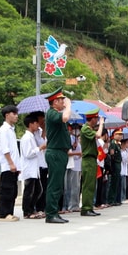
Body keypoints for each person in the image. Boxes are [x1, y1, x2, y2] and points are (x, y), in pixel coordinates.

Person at [44, 88, 72, 223]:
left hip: (60, 152)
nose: (63, 102)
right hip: (55, 152)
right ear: (55, 102)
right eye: (61, 100)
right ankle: (50, 214)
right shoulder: (51, 113)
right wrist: (69, 105)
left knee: (58, 185)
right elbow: (65, 117)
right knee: (54, 184)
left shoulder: (55, 114)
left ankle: (54, 211)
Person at [0, 104, 21, 222]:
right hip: (7, 165)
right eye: (14, 114)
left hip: (13, 166)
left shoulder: (11, 129)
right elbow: (4, 149)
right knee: (6, 190)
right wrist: (11, 163)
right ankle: (4, 213)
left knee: (13, 191)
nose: (16, 116)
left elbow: (14, 150)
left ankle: (10, 212)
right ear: (7, 115)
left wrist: (17, 165)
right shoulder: (4, 129)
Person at [19, 113, 44, 219]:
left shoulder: (32, 137)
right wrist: (40, 148)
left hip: (34, 168)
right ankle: (27, 211)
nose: (38, 125)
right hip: (29, 168)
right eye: (36, 123)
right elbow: (28, 153)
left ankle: (31, 209)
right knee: (29, 191)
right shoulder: (26, 138)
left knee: (38, 190)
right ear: (30, 124)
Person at [78, 109, 103, 216]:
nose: (97, 121)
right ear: (92, 119)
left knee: (92, 184)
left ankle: (89, 206)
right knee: (88, 185)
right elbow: (98, 135)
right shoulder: (85, 129)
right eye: (96, 119)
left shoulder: (89, 129)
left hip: (92, 159)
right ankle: (86, 208)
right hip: (88, 159)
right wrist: (101, 124)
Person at [63, 123, 82, 213]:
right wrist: (76, 152)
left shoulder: (76, 139)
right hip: (71, 164)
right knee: (70, 187)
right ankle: (69, 205)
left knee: (76, 187)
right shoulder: (69, 138)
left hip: (76, 164)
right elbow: (68, 152)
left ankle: (75, 205)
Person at [107, 128, 123, 206]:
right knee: (113, 182)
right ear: (114, 135)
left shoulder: (118, 144)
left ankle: (115, 199)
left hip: (118, 163)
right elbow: (112, 154)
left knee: (116, 182)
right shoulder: (113, 143)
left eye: (121, 135)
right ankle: (111, 200)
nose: (120, 136)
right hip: (115, 164)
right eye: (119, 134)